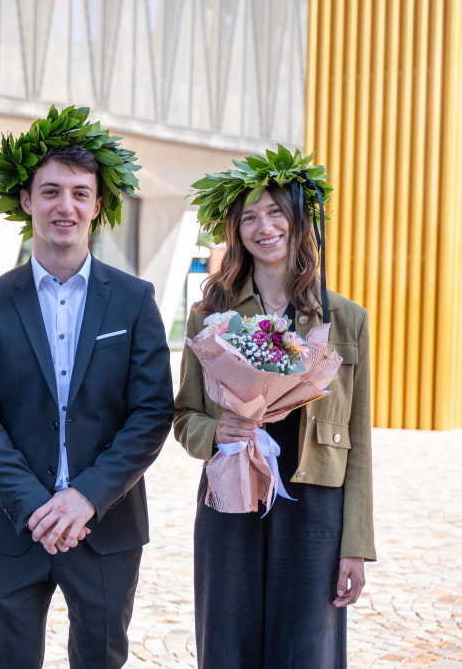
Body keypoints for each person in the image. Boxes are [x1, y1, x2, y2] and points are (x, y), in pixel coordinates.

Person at [0, 105, 175, 668]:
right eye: (51, 191)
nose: (65, 206)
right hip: (12, 527)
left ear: (97, 205)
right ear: (26, 201)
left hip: (106, 526)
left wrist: (85, 499)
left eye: (80, 193)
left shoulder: (134, 299)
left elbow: (151, 413)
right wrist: (35, 506)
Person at [175, 147, 374, 667]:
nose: (264, 227)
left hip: (314, 509)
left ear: (299, 220)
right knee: (228, 642)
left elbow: (360, 442)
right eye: (249, 218)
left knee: (306, 650)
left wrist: (354, 543)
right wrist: (221, 428)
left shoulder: (345, 318)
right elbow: (184, 416)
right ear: (235, 231)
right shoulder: (208, 315)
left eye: (276, 212)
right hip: (232, 495)